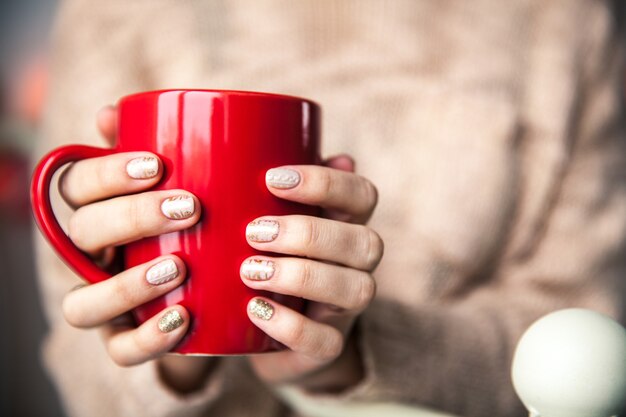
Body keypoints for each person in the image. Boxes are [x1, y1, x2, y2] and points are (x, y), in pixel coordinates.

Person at [33, 1, 626, 417]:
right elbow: (79, 367)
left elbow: (591, 342)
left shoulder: (560, 19)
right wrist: (169, 352)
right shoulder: (109, 14)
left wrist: (359, 350)